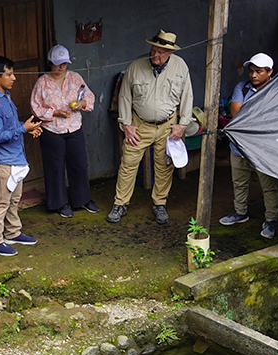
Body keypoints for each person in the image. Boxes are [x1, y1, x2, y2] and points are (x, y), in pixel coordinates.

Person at [107, 30, 194, 225]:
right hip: (139, 125)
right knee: (128, 163)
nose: (155, 55)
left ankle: (160, 203)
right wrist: (126, 124)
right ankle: (120, 203)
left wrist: (182, 124)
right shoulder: (136, 66)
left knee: (164, 165)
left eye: (161, 52)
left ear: (170, 53)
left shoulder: (180, 66)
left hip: (168, 126)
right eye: (153, 50)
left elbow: (187, 96)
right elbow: (124, 97)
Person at [0, 55, 42, 257]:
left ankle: (13, 233)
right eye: (9, 74)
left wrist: (28, 129)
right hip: (1, 161)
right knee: (0, 202)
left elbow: (9, 128)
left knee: (14, 199)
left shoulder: (5, 98)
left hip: (14, 159)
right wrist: (23, 128)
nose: (14, 78)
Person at [30, 44, 100, 218]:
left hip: (74, 127)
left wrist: (81, 104)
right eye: (57, 63)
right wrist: (54, 112)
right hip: (52, 130)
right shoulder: (42, 82)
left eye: (64, 63)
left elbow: (89, 97)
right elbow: (35, 107)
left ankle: (81, 200)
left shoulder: (75, 78)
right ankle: (59, 203)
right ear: (50, 63)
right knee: (54, 168)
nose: (61, 67)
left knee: (79, 165)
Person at [220, 53, 278, 239]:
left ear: (270, 72)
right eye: (251, 71)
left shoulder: (277, 90)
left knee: (268, 186)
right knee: (239, 182)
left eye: (259, 71)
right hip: (238, 147)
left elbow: (274, 118)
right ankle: (240, 212)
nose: (253, 75)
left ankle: (271, 219)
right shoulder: (242, 87)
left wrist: (251, 117)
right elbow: (235, 112)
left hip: (262, 150)